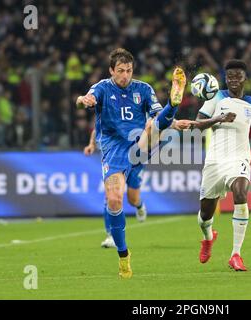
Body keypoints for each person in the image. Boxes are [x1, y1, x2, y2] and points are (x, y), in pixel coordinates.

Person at [76, 48, 191, 279]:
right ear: (111, 71)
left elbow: (156, 114)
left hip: (139, 144)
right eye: (120, 71)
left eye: (129, 70)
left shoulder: (143, 89)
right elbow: (84, 101)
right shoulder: (102, 88)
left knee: (152, 125)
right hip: (114, 150)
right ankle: (123, 255)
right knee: (116, 200)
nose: (125, 75)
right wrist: (82, 100)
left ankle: (174, 103)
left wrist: (171, 120)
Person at [191, 59, 251, 271]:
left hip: (239, 158)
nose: (233, 79)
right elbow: (196, 125)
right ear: (225, 79)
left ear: (245, 79)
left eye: (238, 76)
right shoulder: (215, 97)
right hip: (215, 161)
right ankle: (208, 237)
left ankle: (236, 254)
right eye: (230, 76)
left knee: (241, 193)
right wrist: (219, 118)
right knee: (205, 214)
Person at [83, 128, 147, 249]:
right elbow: (98, 129)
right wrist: (92, 144)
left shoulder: (138, 112)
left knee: (132, 199)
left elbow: (155, 122)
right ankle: (110, 236)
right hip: (115, 162)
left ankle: (139, 205)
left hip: (135, 162)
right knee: (110, 197)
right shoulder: (109, 113)